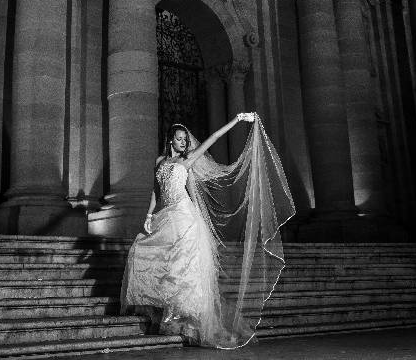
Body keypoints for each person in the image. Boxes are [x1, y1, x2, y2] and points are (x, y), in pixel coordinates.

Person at [120, 113, 295, 349]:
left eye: (185, 139)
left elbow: (213, 137)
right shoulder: (159, 161)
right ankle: (173, 314)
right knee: (147, 253)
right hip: (167, 215)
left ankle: (189, 322)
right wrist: (149, 214)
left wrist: (237, 120)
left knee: (184, 266)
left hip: (184, 215)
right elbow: (156, 191)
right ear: (171, 140)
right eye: (179, 139)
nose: (183, 142)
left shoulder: (188, 160)